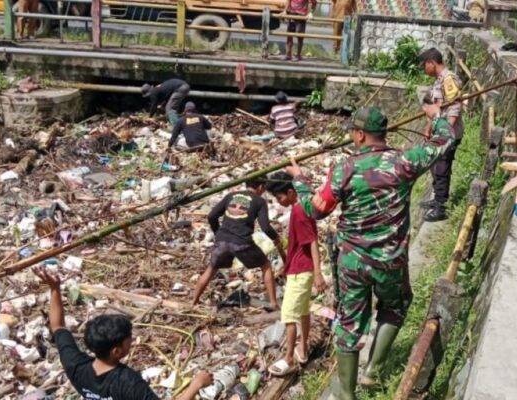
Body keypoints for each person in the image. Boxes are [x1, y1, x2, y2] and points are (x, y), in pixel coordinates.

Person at [285, 105, 455, 399]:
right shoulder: (405, 160)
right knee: (397, 306)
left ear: (360, 134)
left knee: (349, 323)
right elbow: (444, 140)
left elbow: (316, 209)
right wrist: (436, 115)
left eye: (353, 131)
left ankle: (347, 395)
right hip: (390, 259)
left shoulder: (344, 169)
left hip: (351, 261)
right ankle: (373, 372)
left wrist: (300, 181)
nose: (352, 136)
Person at [32, 266, 214, 400]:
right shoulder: (127, 382)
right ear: (116, 351)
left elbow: (57, 326)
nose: (132, 341)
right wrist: (196, 384)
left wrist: (54, 289)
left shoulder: (77, 366)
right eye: (129, 339)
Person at [192, 176, 286, 309]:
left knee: (211, 268)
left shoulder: (231, 195)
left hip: (223, 240)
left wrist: (218, 233)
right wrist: (276, 238)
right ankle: (273, 303)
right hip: (242, 242)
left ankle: (193, 301)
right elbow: (265, 227)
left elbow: (212, 215)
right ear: (260, 187)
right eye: (264, 187)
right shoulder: (259, 201)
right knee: (265, 265)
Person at [265, 171, 326, 377]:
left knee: (288, 316)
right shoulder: (301, 205)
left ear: (291, 192)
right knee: (302, 311)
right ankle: (304, 346)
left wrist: (318, 273)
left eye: (280, 197)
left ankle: (289, 358)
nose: (279, 202)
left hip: (302, 271)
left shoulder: (299, 212)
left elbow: (312, 242)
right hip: (298, 267)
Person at [419, 47, 465, 222]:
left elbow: (454, 110)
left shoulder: (449, 80)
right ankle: (437, 198)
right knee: (435, 165)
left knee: (442, 168)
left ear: (431, 62)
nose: (424, 69)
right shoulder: (439, 80)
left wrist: (446, 135)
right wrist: (428, 128)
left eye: (425, 65)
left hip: (448, 133)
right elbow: (436, 107)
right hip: (440, 130)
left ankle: (441, 206)